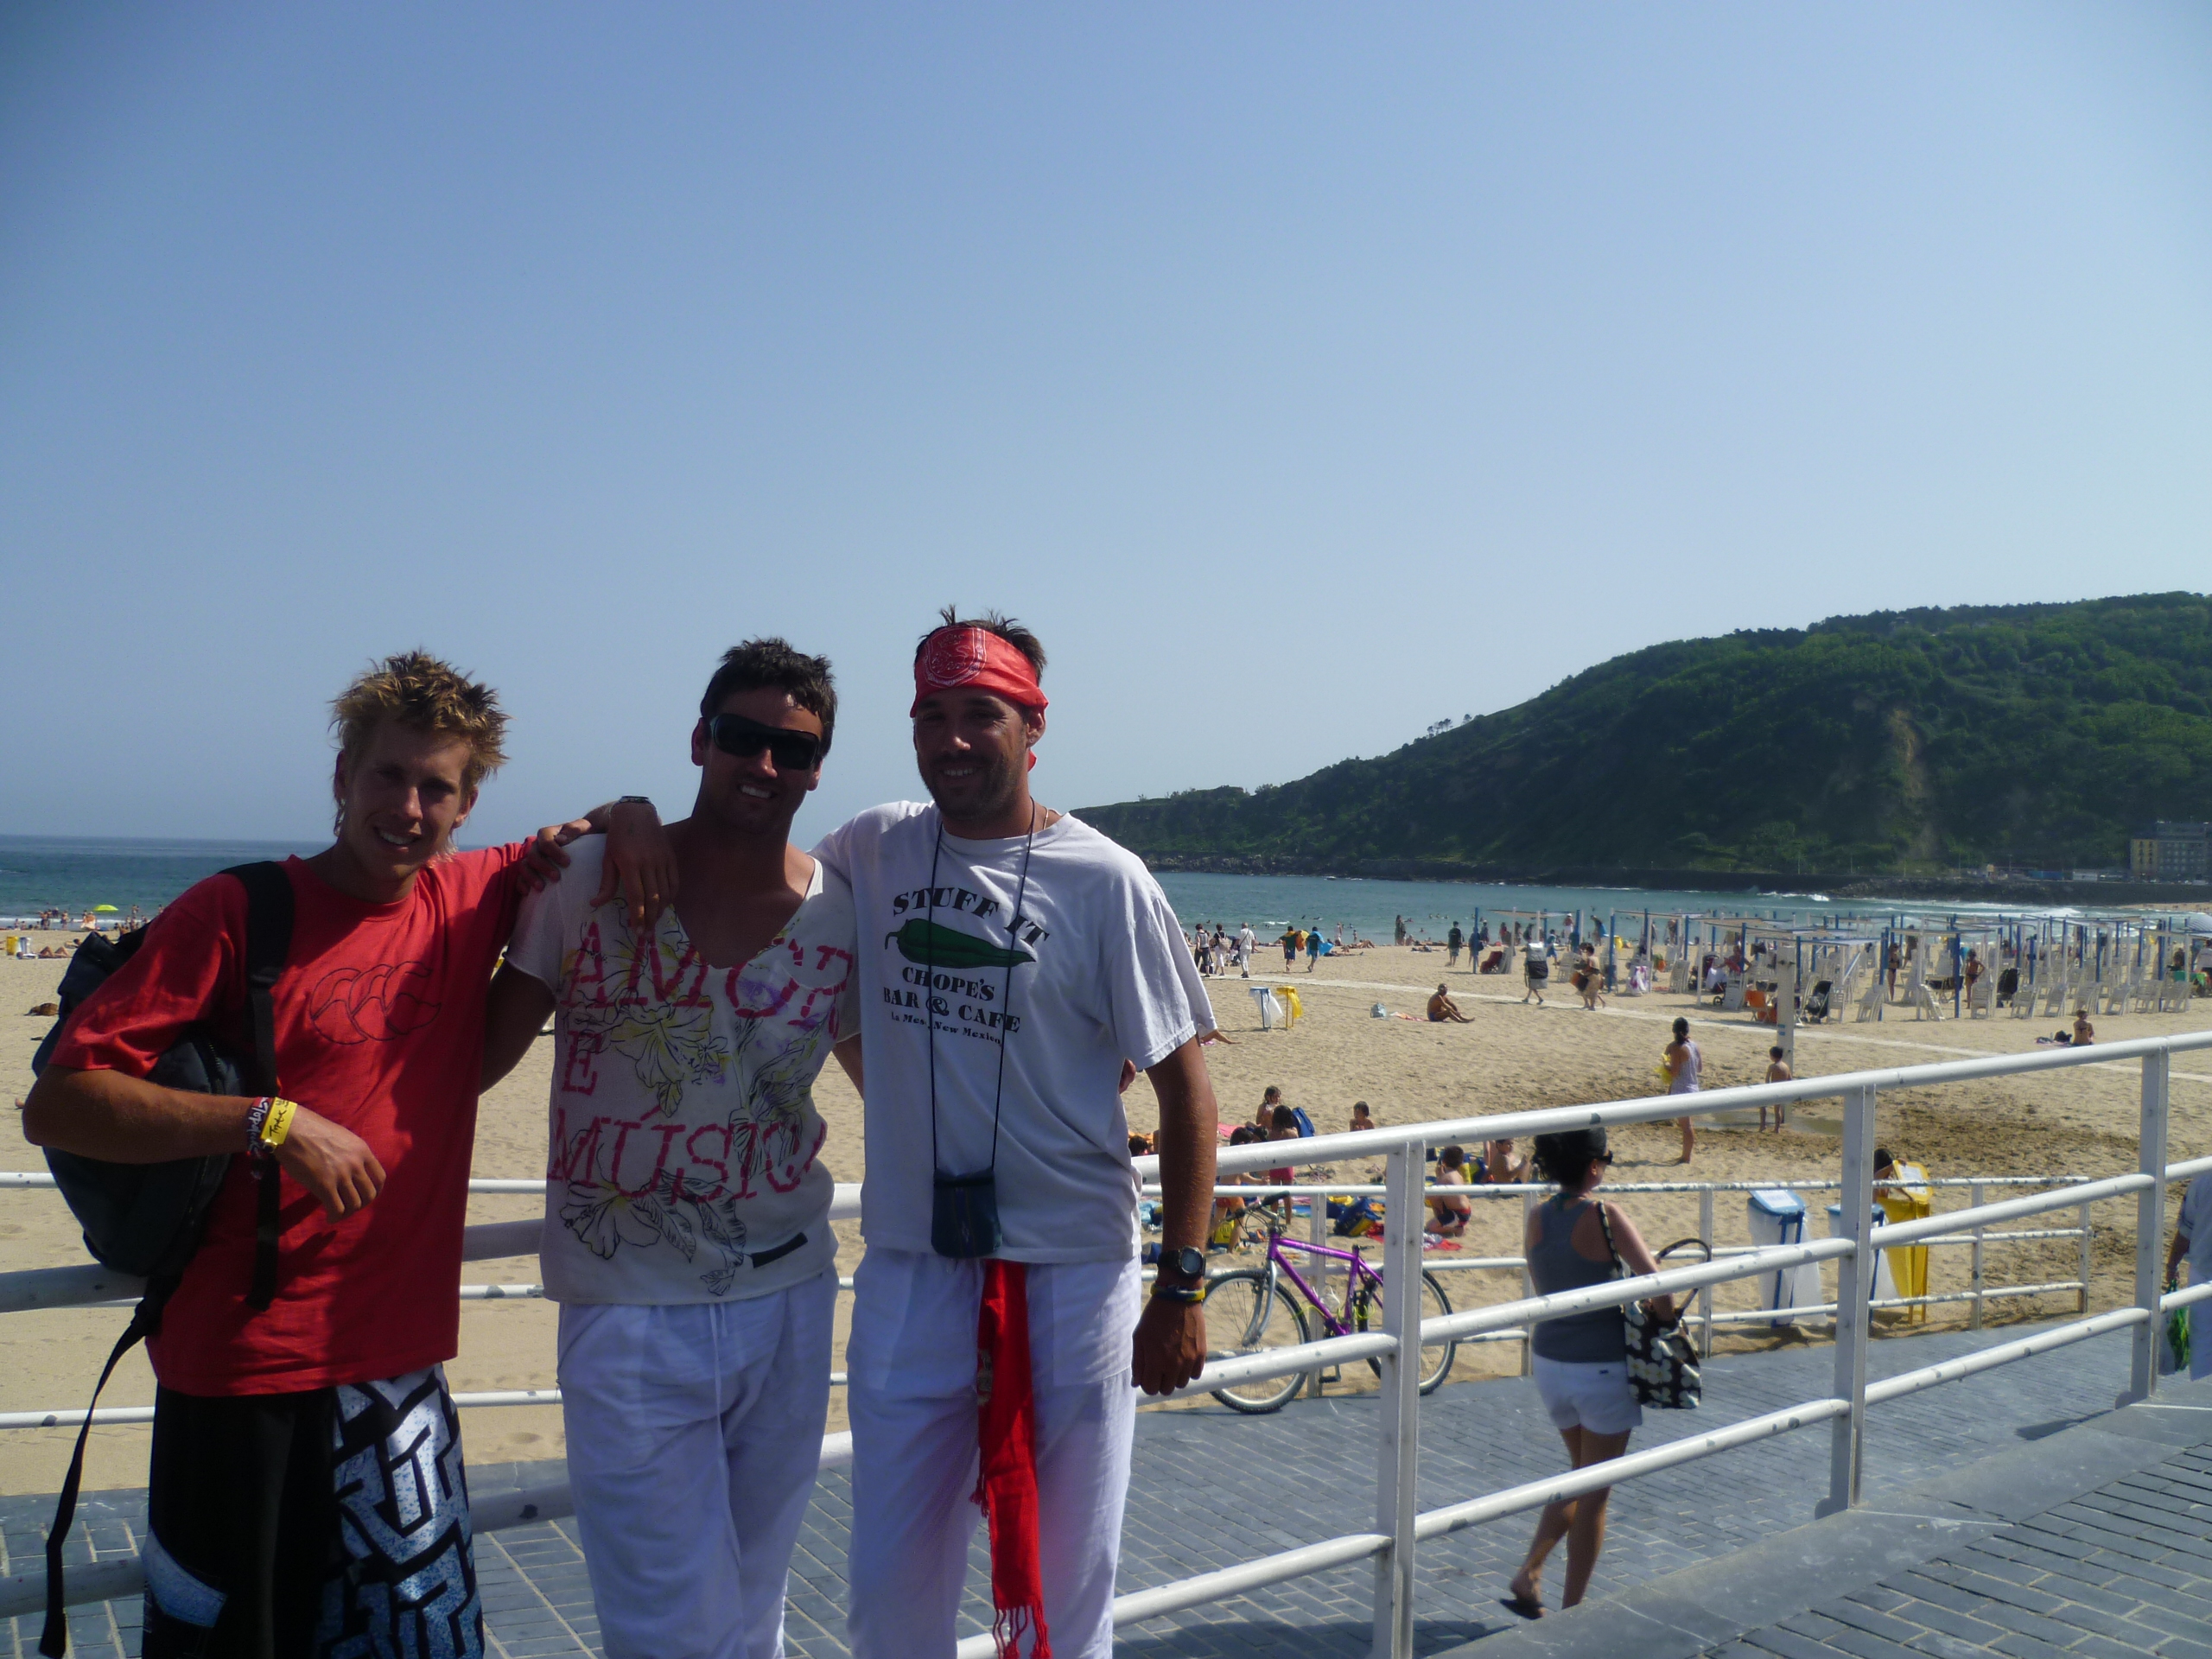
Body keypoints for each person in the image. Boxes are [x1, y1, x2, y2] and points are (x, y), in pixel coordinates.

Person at [22, 652, 650, 1659]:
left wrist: (635, 812)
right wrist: (269, 1122)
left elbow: (596, 828)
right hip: (238, 1371)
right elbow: (60, 1105)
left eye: (435, 787)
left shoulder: (475, 892)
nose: (407, 806)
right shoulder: (236, 911)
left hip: (396, 1373)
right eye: (386, 775)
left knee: (420, 1640)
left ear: (467, 803)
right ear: (341, 777)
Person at [814, 611, 1218, 1659]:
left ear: (1033, 726)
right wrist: (623, 826)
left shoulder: (1105, 879)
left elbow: (1187, 1094)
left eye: (981, 714)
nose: (952, 738)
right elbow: (759, 891)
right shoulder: (873, 846)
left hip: (1073, 1274)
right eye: (931, 715)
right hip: (911, 1270)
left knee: (1068, 1582)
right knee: (888, 1586)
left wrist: (1181, 1287)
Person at [477, 639, 854, 1659]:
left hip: (791, 1297)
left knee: (755, 1603)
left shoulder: (840, 915)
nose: (763, 765)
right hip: (627, 1306)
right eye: (740, 737)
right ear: (699, 740)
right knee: (665, 1626)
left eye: (791, 749)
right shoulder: (588, 879)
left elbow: (904, 1086)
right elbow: (472, 1062)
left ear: (818, 770)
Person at [1503, 1127, 1675, 1620]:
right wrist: (1663, 1317)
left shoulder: (1536, 1216)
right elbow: (1658, 1287)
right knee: (1595, 1492)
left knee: (1581, 1474)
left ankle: (1531, 1572)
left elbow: (1549, 1282)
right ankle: (1572, 1612)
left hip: (1550, 1363)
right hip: (1599, 1367)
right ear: (1594, 1166)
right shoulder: (1605, 1214)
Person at [2164, 1172, 2212, 1382]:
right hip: (2202, 1271)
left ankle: (2201, 1392)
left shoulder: (2203, 1178)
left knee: (2203, 1341)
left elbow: (2186, 1231)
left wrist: (2172, 1264)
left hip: (2203, 1271)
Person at [1665, 1016, 1700, 1163]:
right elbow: (1699, 1068)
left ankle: (1686, 1157)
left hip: (1681, 1090)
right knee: (1688, 1124)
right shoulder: (1694, 1045)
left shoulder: (1677, 1048)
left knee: (1686, 1126)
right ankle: (1686, 1155)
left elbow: (1674, 1072)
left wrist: (1665, 1066)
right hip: (1693, 1087)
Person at [1426, 1145, 1472, 1236]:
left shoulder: (1446, 1178)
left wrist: (1439, 1177)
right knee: (1437, 1199)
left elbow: (1430, 1194)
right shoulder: (1458, 1175)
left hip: (1458, 1214)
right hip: (1465, 1211)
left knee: (1430, 1227)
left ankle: (1457, 1229)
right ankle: (1451, 1223)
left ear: (1443, 1162)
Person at [1762, 1045, 1791, 1132]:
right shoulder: (1786, 1066)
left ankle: (1763, 1125)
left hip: (1773, 1089)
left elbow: (1767, 1079)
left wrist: (1766, 1089)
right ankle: (1777, 1129)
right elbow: (1790, 1079)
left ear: (1772, 1056)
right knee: (1777, 1110)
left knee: (1762, 1105)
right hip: (1782, 1090)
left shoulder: (1772, 1066)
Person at [1522, 932, 1551, 1006]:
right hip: (1537, 965)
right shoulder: (1537, 947)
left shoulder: (1530, 948)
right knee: (1531, 985)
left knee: (1532, 985)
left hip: (1533, 967)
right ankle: (1527, 998)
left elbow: (1527, 955)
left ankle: (1539, 998)